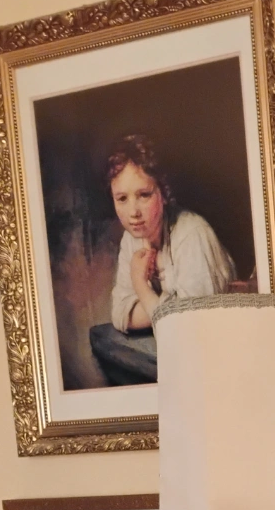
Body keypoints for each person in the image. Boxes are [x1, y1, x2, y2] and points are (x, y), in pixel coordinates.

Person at [89, 135, 236, 385]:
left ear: (164, 193)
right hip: (173, 337)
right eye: (122, 199)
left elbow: (186, 332)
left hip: (216, 349)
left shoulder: (191, 233)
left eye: (144, 195)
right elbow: (120, 313)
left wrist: (141, 288)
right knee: (103, 338)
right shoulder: (131, 239)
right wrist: (166, 307)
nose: (133, 212)